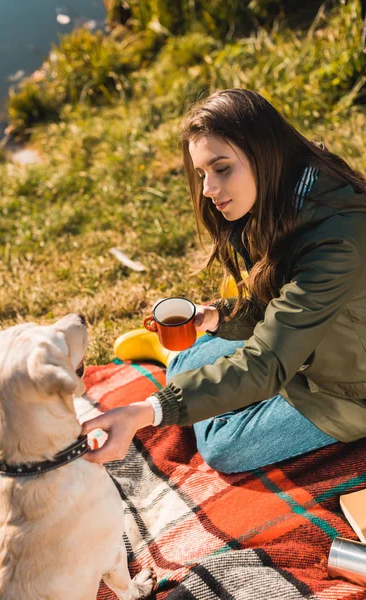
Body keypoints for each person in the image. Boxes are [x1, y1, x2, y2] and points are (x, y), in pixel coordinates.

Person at [83, 88, 366, 474]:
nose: (207, 190)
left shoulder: (335, 242)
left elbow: (266, 363)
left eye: (221, 169)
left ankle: (230, 394)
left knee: (221, 445)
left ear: (264, 152)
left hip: (348, 388)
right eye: (202, 174)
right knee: (185, 361)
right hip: (305, 346)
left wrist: (147, 411)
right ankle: (211, 380)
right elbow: (280, 305)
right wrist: (218, 317)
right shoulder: (282, 194)